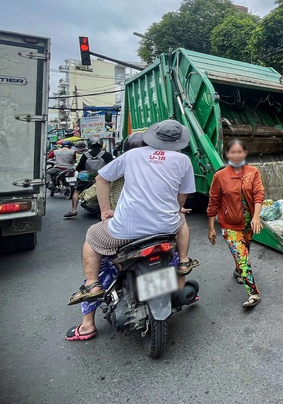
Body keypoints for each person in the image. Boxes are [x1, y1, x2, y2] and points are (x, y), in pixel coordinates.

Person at [65, 120, 200, 340]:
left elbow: (101, 179)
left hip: (125, 231)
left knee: (92, 238)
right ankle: (184, 260)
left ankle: (91, 292)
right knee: (181, 220)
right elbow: (182, 196)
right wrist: (175, 209)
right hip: (165, 229)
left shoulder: (130, 157)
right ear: (178, 141)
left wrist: (106, 210)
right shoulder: (183, 160)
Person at [207, 139, 265, 308]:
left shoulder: (253, 172)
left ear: (245, 153)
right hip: (229, 225)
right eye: (233, 152)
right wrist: (211, 228)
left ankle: (237, 271)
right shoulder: (220, 176)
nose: (237, 155)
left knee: (244, 251)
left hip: (248, 224)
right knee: (242, 258)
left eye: (240, 152)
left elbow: (258, 194)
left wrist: (256, 216)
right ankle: (253, 293)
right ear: (227, 155)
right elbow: (213, 202)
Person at [65, 137, 114, 218]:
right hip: (102, 178)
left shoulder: (86, 155)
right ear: (101, 144)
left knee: (77, 191)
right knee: (111, 191)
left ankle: (73, 210)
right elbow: (112, 167)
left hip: (87, 178)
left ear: (90, 145)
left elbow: (79, 168)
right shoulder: (107, 154)